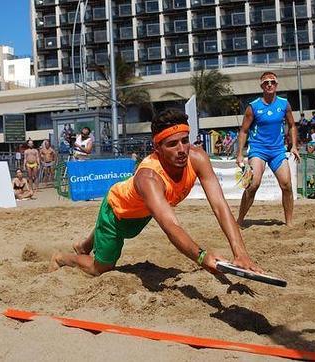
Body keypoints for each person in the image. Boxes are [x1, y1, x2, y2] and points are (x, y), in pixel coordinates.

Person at [50, 109, 262, 277]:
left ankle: (84, 244)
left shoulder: (197, 157)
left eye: (185, 140)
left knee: (129, 227)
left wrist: (240, 253)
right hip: (116, 211)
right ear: (157, 148)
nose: (182, 149)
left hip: (141, 211)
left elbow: (219, 205)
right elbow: (171, 226)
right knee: (100, 268)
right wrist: (202, 257)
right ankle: (62, 258)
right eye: (172, 144)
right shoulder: (149, 178)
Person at [235, 72, 300, 227]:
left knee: (287, 185)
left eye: (272, 82)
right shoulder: (253, 106)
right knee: (253, 185)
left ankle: (289, 223)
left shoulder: (284, 104)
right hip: (258, 150)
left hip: (278, 150)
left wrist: (294, 146)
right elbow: (243, 131)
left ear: (276, 85)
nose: (269, 84)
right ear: (262, 86)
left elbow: (292, 125)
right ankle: (239, 220)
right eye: (266, 82)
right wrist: (239, 154)